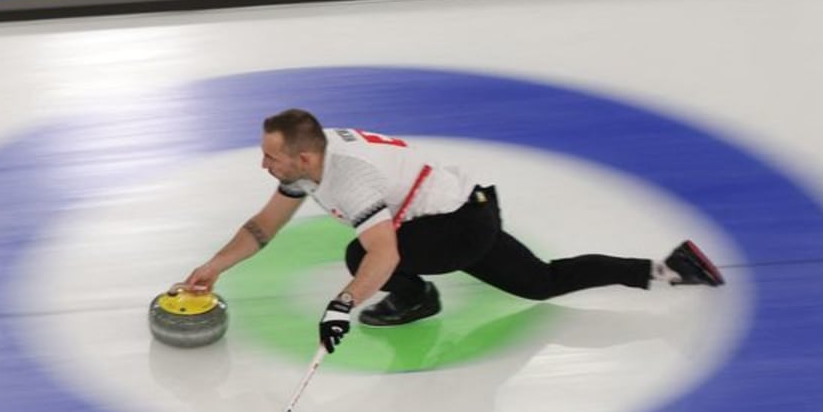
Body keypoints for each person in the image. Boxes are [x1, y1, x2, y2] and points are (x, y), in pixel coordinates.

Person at [174, 109, 724, 354]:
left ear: (304, 155)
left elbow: (383, 256)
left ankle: (419, 300)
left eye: (271, 157)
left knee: (358, 255)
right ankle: (671, 269)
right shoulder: (311, 163)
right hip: (471, 205)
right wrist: (212, 268)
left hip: (457, 228)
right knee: (541, 282)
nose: (263, 165)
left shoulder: (349, 179)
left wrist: (340, 308)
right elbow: (263, 227)